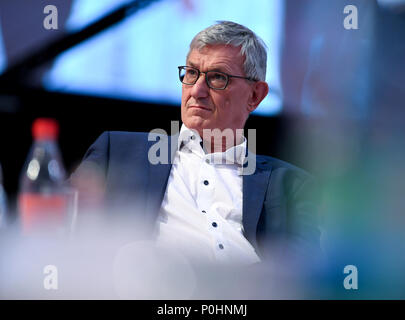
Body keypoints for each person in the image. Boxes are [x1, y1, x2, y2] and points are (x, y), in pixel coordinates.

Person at [71, 21, 321, 267]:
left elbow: (304, 277)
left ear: (255, 96)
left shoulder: (290, 184)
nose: (197, 90)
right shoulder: (117, 151)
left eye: (217, 78)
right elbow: (56, 226)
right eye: (191, 73)